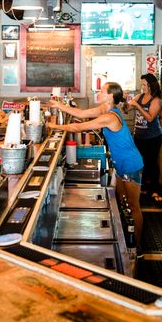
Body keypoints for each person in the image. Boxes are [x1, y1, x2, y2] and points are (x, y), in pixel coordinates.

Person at [48, 82, 145, 249]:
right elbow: (79, 113)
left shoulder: (109, 117)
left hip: (130, 164)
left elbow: (78, 127)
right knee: (122, 202)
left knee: (133, 205)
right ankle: (126, 239)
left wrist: (53, 126)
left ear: (110, 96)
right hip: (121, 164)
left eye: (101, 91)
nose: (98, 93)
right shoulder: (104, 110)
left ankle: (137, 247)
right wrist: (59, 105)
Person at [127, 74, 162, 199]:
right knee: (139, 163)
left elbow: (150, 118)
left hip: (153, 137)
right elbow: (127, 110)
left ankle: (154, 190)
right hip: (139, 136)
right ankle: (141, 188)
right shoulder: (139, 96)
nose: (142, 87)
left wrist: (138, 106)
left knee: (151, 163)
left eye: (144, 85)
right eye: (141, 84)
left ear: (150, 85)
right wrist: (125, 101)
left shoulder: (156, 100)